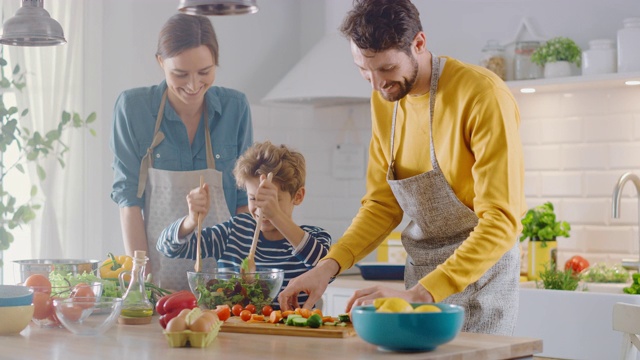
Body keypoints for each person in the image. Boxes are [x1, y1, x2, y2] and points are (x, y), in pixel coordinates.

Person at [278, 0, 525, 335]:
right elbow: (381, 206)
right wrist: (327, 267)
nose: (376, 84)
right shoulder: (385, 101)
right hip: (417, 284)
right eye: (364, 70)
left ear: (419, 44)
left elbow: (502, 221)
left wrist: (421, 293)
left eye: (386, 69)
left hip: (482, 283)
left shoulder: (482, 95)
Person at [110, 13, 253, 291]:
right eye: (180, 74)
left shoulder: (236, 108)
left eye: (204, 72)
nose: (193, 85)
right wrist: (143, 283)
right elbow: (129, 202)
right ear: (161, 62)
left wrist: (241, 274)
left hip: (224, 279)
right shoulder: (132, 108)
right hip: (157, 276)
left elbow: (243, 202)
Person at [157, 141, 332, 308]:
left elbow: (326, 269)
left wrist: (276, 215)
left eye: (272, 200)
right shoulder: (234, 232)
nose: (261, 208)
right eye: (253, 198)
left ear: (298, 196)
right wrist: (191, 220)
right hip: (233, 333)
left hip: (291, 336)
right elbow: (167, 247)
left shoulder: (314, 238)